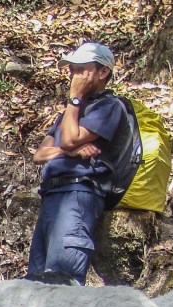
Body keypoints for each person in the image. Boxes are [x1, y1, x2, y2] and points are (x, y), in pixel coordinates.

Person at [28, 42, 128, 284]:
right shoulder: (69, 115)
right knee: (35, 282)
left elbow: (70, 138)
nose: (74, 76)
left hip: (78, 193)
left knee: (61, 281)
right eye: (72, 70)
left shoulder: (109, 107)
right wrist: (68, 152)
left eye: (81, 69)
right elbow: (39, 155)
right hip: (52, 195)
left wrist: (74, 99)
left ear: (103, 72)